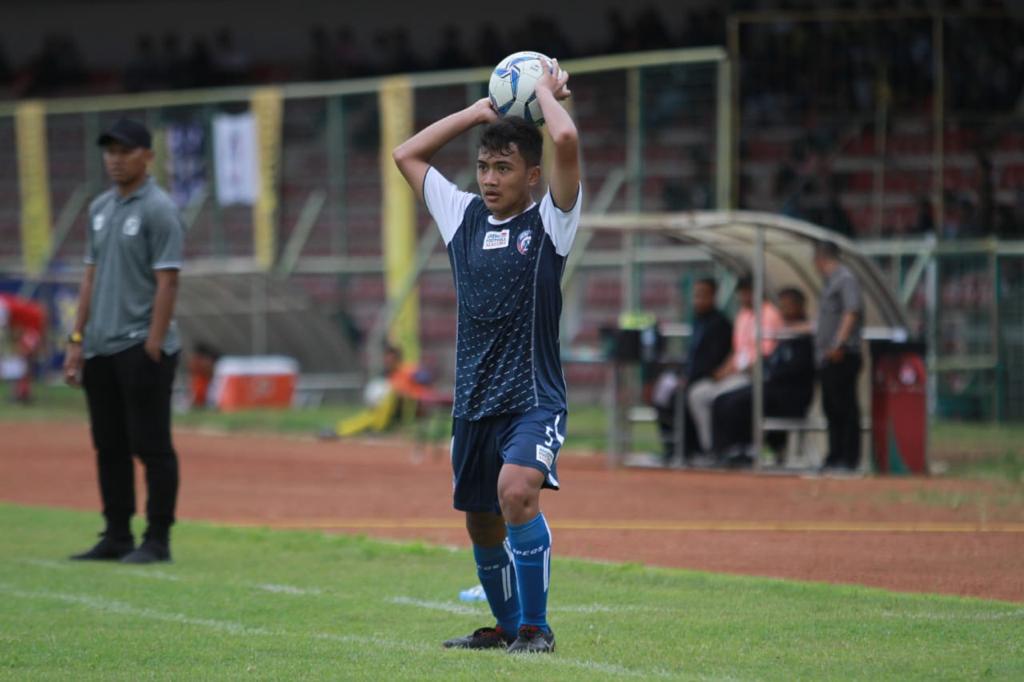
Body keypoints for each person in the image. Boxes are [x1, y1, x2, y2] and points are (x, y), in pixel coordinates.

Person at [392, 58, 579, 654]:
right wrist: (475, 113)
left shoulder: (552, 222)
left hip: (531, 397)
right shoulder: (462, 217)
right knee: (480, 520)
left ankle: (536, 629)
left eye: (503, 168)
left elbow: (567, 137)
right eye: (482, 166)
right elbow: (407, 155)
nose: (489, 178)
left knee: (517, 491)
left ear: (533, 176)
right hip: (473, 401)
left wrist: (547, 94)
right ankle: (503, 628)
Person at [63, 118, 185, 564]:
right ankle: (116, 533)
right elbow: (90, 277)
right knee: (109, 445)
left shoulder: (158, 209)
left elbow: (167, 282)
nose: (115, 159)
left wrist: (153, 344)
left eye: (124, 151)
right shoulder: (100, 208)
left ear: (147, 157)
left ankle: (157, 539)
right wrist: (77, 339)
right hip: (100, 346)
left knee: (151, 446)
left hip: (140, 345)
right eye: (109, 151)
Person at [710, 287, 816, 466]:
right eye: (781, 307)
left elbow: (794, 368)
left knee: (739, 403)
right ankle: (725, 450)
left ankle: (746, 449)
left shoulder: (805, 334)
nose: (783, 311)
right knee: (722, 400)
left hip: (790, 395)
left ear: (799, 307)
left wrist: (772, 372)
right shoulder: (783, 332)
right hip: (772, 388)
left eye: (788, 306)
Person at [687, 276, 783, 457]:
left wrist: (739, 370)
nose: (744, 297)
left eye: (748, 293)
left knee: (722, 399)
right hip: (737, 373)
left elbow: (765, 353)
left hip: (755, 375)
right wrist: (724, 371)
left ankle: (732, 448)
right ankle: (710, 447)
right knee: (697, 394)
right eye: (742, 293)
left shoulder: (769, 314)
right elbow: (737, 352)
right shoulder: (743, 315)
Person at [653, 277, 732, 464]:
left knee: (680, 397)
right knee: (662, 393)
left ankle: (692, 448)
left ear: (713, 296)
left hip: (708, 379)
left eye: (703, 295)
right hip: (692, 377)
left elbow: (712, 361)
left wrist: (690, 378)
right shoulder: (698, 321)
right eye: (696, 295)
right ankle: (672, 447)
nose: (698, 300)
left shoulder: (720, 324)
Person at [813, 240, 864, 471]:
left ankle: (848, 459)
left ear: (822, 258)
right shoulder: (830, 282)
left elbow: (851, 312)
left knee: (845, 407)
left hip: (842, 354)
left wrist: (838, 343)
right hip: (828, 356)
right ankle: (834, 456)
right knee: (831, 407)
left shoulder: (845, 279)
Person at [0, 293, 47, 403]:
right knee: (23, 359)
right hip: (30, 326)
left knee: (24, 358)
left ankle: (23, 392)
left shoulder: (2, 304)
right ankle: (21, 392)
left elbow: (6, 327)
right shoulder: (4, 301)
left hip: (33, 326)